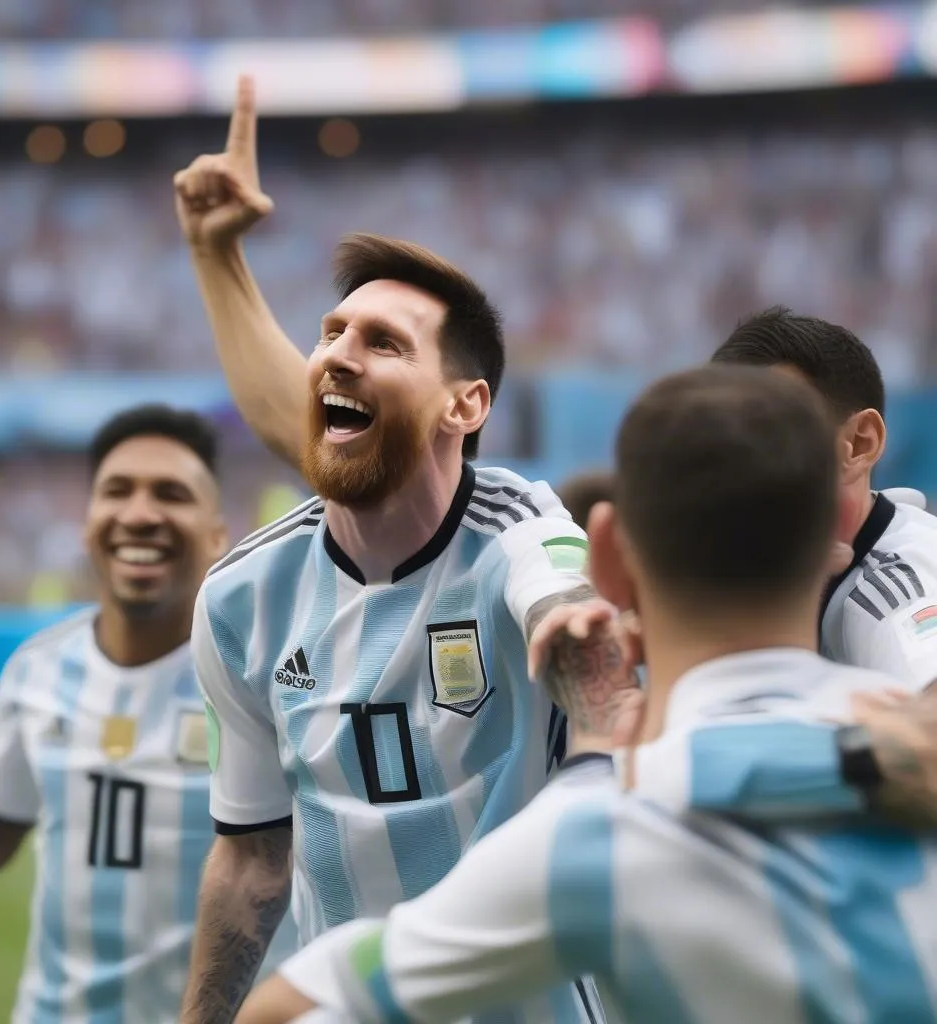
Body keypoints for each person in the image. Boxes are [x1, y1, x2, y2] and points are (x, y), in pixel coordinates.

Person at [240, 365, 937, 1024]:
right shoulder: (907, 750)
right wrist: (850, 765)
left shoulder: (602, 832)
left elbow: (287, 1007)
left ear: (605, 556)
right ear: (833, 548)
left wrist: (594, 765)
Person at [174, 77, 618, 1024]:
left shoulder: (522, 536)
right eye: (330, 333)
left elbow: (575, 620)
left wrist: (598, 716)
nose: (336, 352)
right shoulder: (242, 596)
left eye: (383, 342)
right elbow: (252, 858)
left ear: (467, 405)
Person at [0, 405, 244, 1023]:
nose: (139, 513)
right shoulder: (37, 669)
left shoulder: (255, 678)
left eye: (170, 494)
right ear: (88, 519)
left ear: (218, 533)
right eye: (116, 491)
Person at [626, 309, 937, 824]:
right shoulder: (758, 576)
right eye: (722, 435)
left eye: (775, 429)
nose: (740, 458)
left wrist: (702, 770)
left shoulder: (890, 586)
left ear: (859, 444)